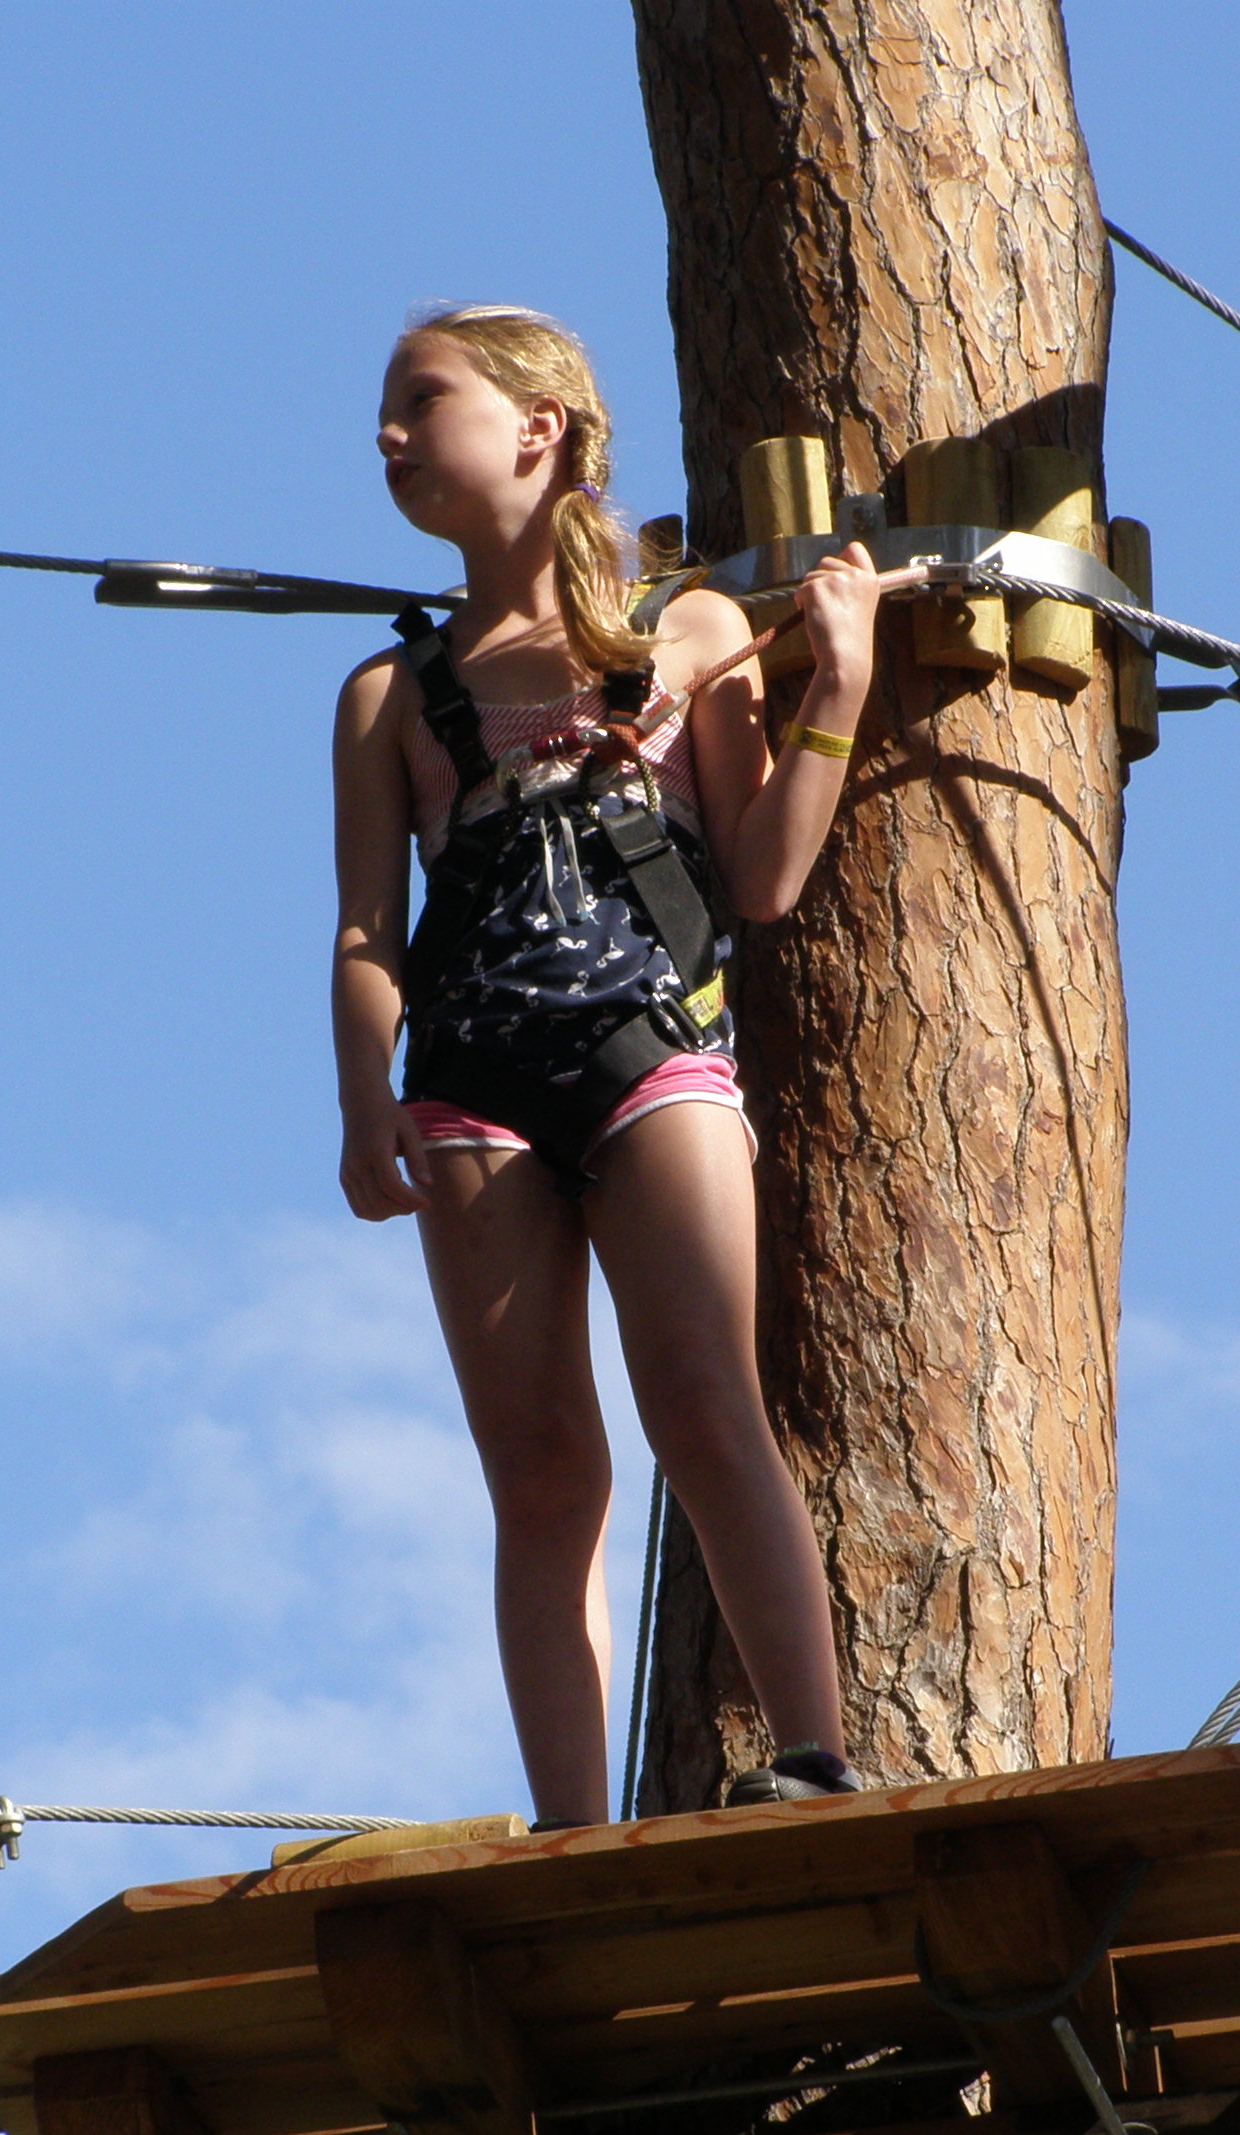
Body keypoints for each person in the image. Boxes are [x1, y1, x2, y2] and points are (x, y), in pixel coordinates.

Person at [330, 303, 882, 1828]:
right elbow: (369, 928)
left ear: (539, 428)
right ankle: (573, 1826)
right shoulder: (391, 696)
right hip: (469, 1084)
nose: (386, 434)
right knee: (540, 1471)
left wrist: (836, 689)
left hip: (652, 1052)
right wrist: (363, 1100)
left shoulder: (684, 634)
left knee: (704, 1403)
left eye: (421, 400)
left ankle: (814, 1752)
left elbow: (762, 877)